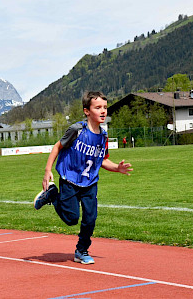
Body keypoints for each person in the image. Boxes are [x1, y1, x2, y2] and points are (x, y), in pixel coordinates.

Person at [33, 91, 133, 265]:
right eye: (98, 108)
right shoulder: (77, 130)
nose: (103, 111)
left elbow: (102, 160)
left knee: (90, 218)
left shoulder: (103, 136)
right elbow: (58, 146)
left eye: (105, 108)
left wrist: (117, 168)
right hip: (70, 178)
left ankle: (81, 250)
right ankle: (52, 195)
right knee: (72, 219)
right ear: (87, 111)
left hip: (90, 182)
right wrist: (47, 170)